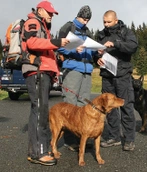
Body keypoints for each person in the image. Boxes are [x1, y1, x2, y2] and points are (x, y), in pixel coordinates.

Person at [22, 0, 69, 166]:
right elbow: (31, 42)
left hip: (42, 72)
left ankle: (34, 151)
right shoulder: (33, 22)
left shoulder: (43, 26)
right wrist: (56, 42)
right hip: (37, 72)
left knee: (38, 111)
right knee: (41, 113)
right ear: (40, 10)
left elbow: (43, 48)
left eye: (53, 13)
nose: (51, 16)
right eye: (48, 12)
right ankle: (40, 153)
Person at [96, 10, 138, 151]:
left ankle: (129, 139)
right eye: (104, 22)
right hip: (107, 76)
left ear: (115, 20)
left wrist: (116, 43)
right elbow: (96, 52)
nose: (106, 25)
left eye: (108, 22)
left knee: (126, 107)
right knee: (109, 109)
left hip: (123, 76)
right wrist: (97, 58)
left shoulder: (126, 32)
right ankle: (114, 137)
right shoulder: (101, 34)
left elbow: (133, 47)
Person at [57, 5, 96, 151]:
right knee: (70, 104)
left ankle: (82, 140)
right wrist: (74, 49)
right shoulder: (68, 27)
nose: (85, 22)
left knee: (83, 105)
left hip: (87, 70)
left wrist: (97, 53)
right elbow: (58, 46)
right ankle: (69, 141)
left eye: (88, 20)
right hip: (72, 68)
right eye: (84, 19)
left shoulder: (87, 31)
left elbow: (90, 50)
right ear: (78, 15)